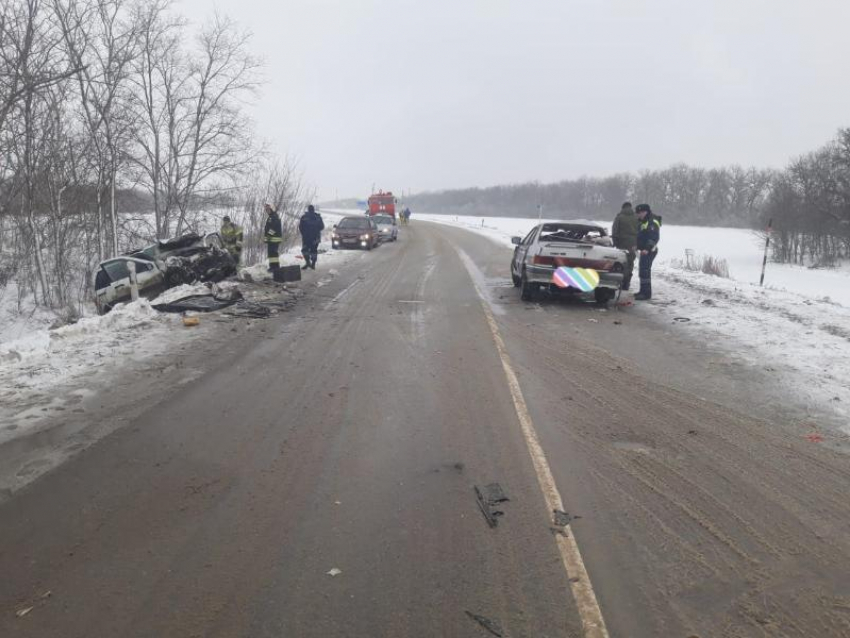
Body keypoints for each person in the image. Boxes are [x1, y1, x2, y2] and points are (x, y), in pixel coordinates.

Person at [634, 203, 661, 300]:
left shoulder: (652, 221)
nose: (638, 215)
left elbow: (654, 237)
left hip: (649, 250)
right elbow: (641, 235)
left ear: (644, 212)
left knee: (645, 271)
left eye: (639, 213)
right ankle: (642, 291)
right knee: (643, 270)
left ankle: (646, 294)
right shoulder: (643, 221)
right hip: (644, 250)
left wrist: (647, 248)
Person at [611, 202, 638, 290]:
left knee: (621, 262)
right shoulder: (636, 217)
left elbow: (615, 231)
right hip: (633, 244)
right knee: (630, 263)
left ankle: (620, 281)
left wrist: (615, 243)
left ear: (623, 208)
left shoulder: (619, 217)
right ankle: (627, 283)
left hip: (622, 243)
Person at [298, 204, 325, 270]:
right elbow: (322, 227)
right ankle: (313, 264)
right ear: (313, 209)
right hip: (316, 238)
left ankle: (308, 263)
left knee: (304, 250)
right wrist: (316, 230)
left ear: (308, 209)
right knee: (314, 251)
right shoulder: (318, 217)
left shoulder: (304, 217)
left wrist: (304, 234)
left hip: (306, 238)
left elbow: (300, 227)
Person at [263, 203, 283, 271]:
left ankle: (276, 267)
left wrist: (269, 235)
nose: (267, 211)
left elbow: (273, 228)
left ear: (272, 209)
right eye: (266, 210)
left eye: (268, 209)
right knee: (271, 253)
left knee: (273, 253)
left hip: (274, 239)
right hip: (271, 239)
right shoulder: (270, 217)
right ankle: (272, 267)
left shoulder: (274, 217)